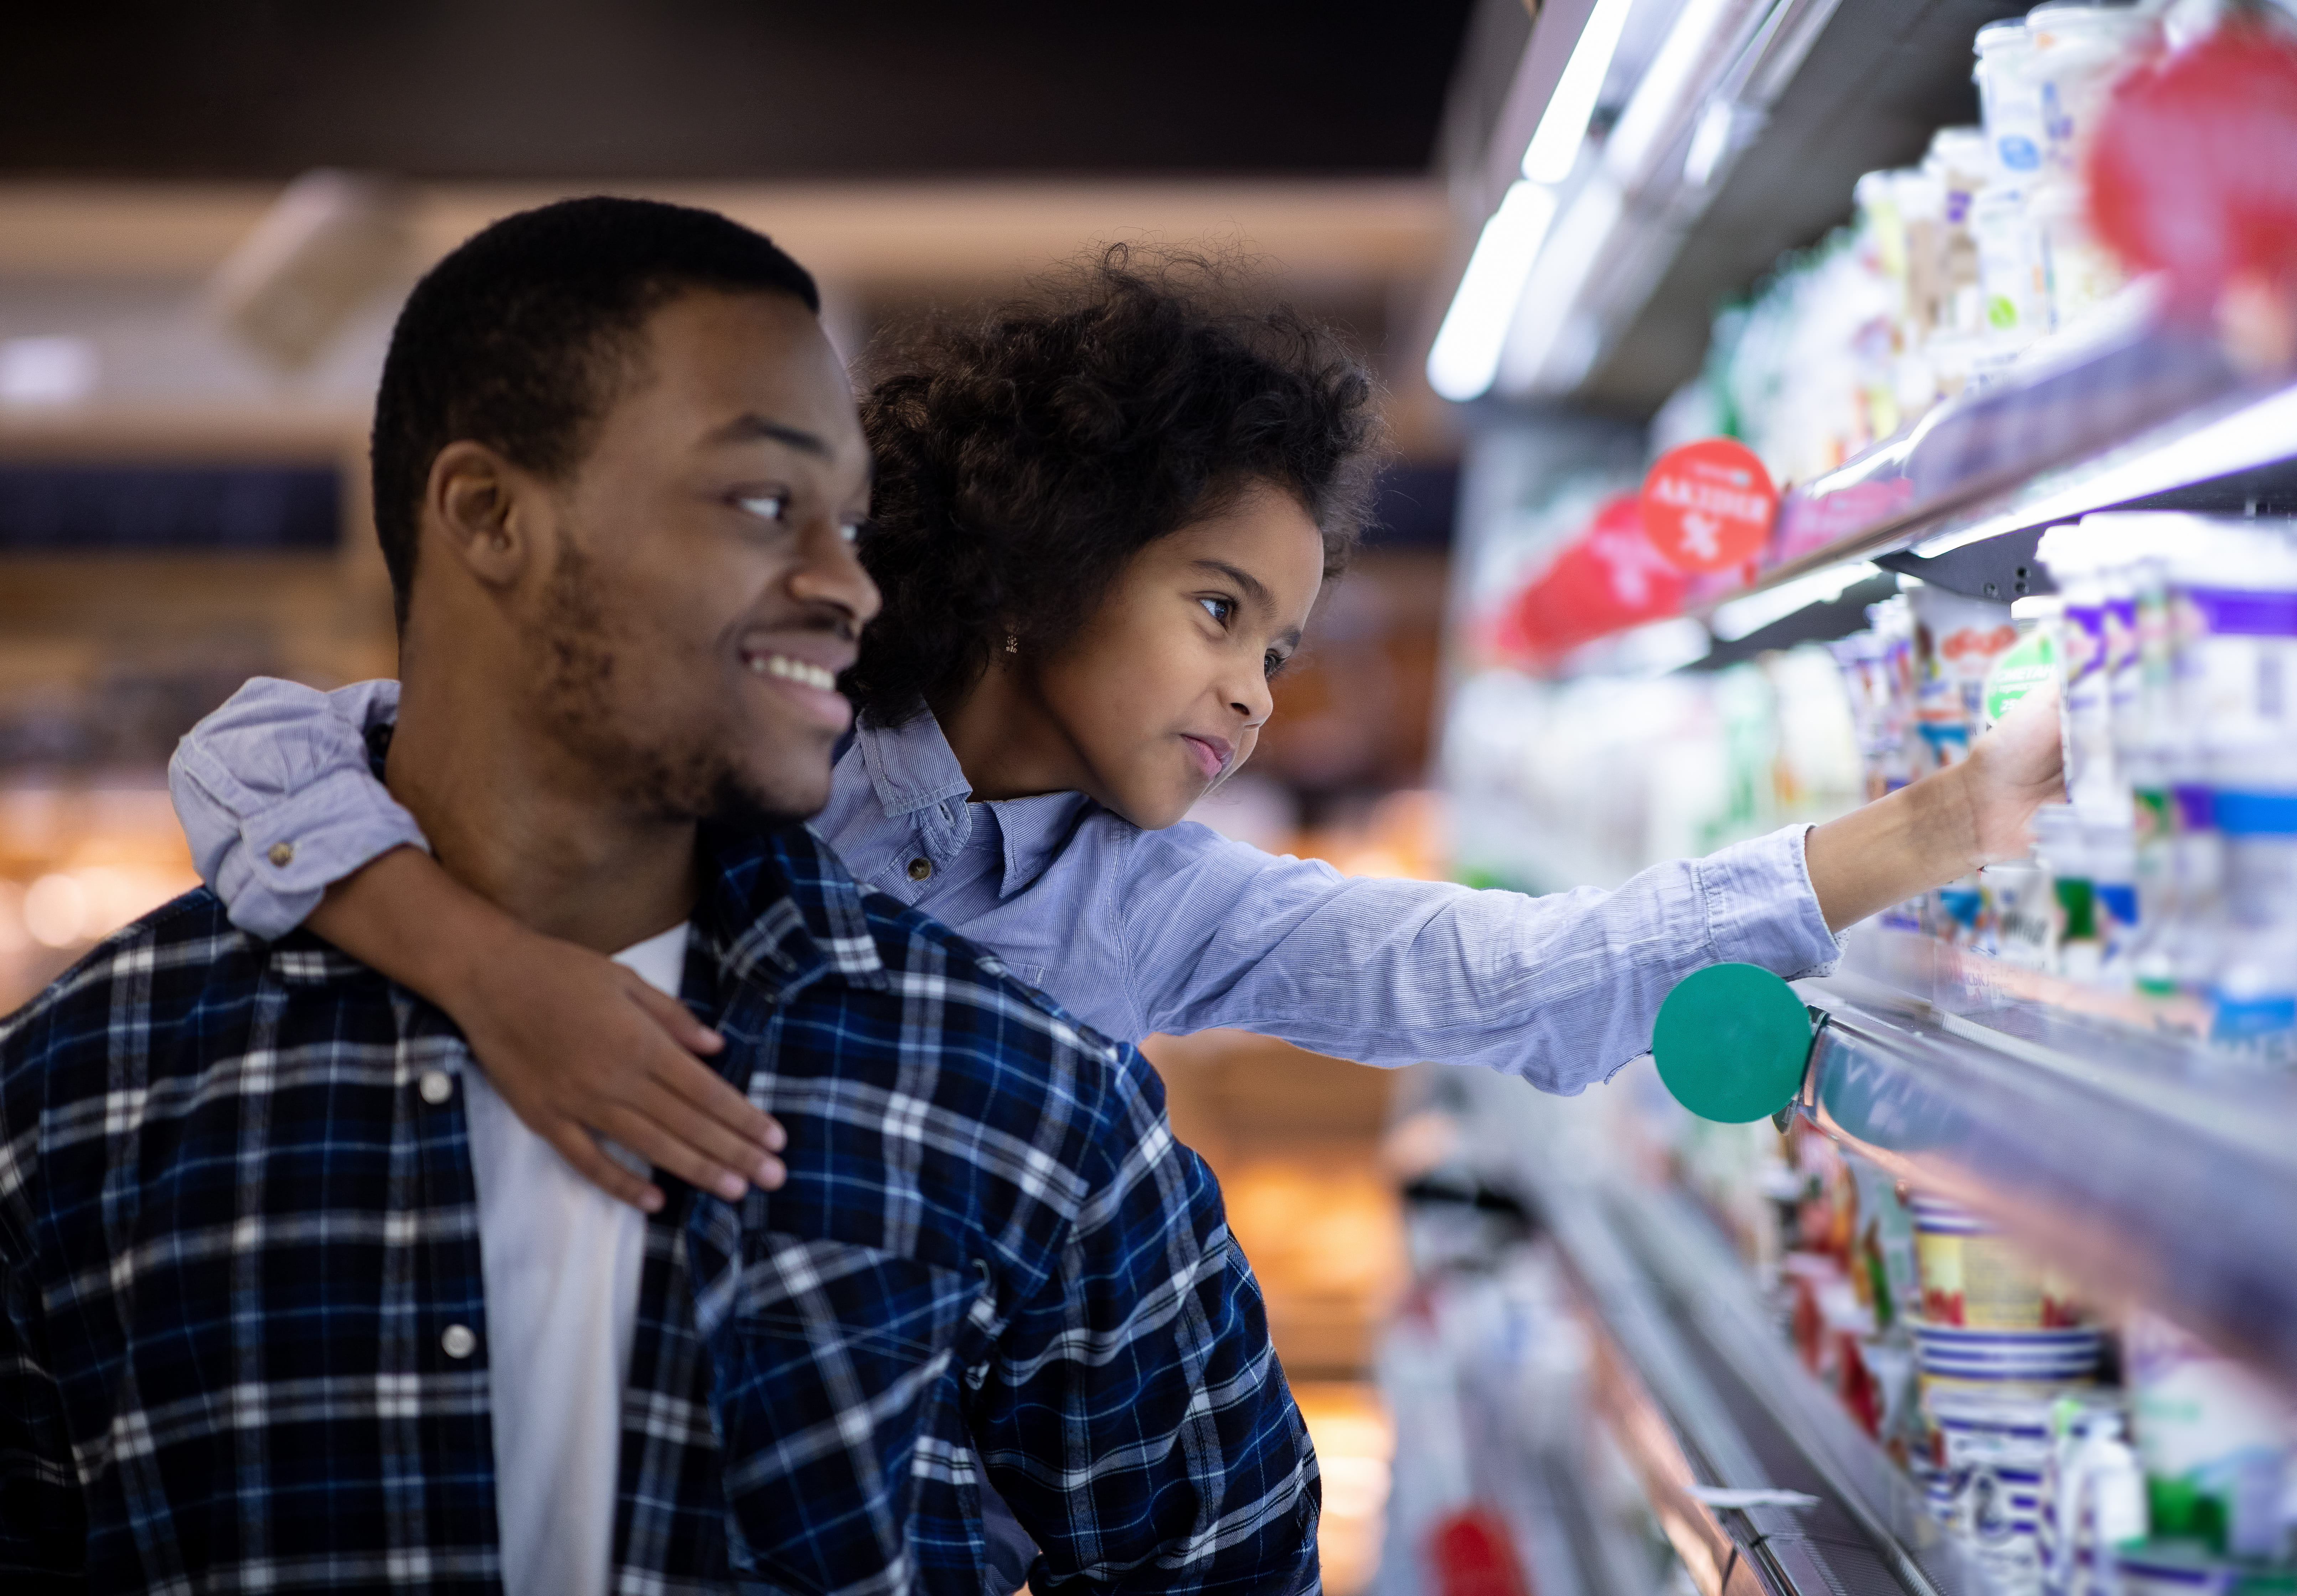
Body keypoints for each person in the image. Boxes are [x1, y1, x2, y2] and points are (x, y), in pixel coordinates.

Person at [0, 199, 1318, 1595]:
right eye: (762, 503)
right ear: (489, 515)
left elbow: (1226, 1566)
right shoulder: (84, 1101)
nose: (847, 587)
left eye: (849, 522)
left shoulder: (1022, 1096)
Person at [169, 249, 2066, 1212]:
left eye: (1287, 643)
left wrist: (1926, 831)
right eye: (1217, 610)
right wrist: (498, 975)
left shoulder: (1141, 901)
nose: (1255, 688)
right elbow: (258, 752)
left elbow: (1487, 971)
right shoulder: (745, 728)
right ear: (1043, 564)